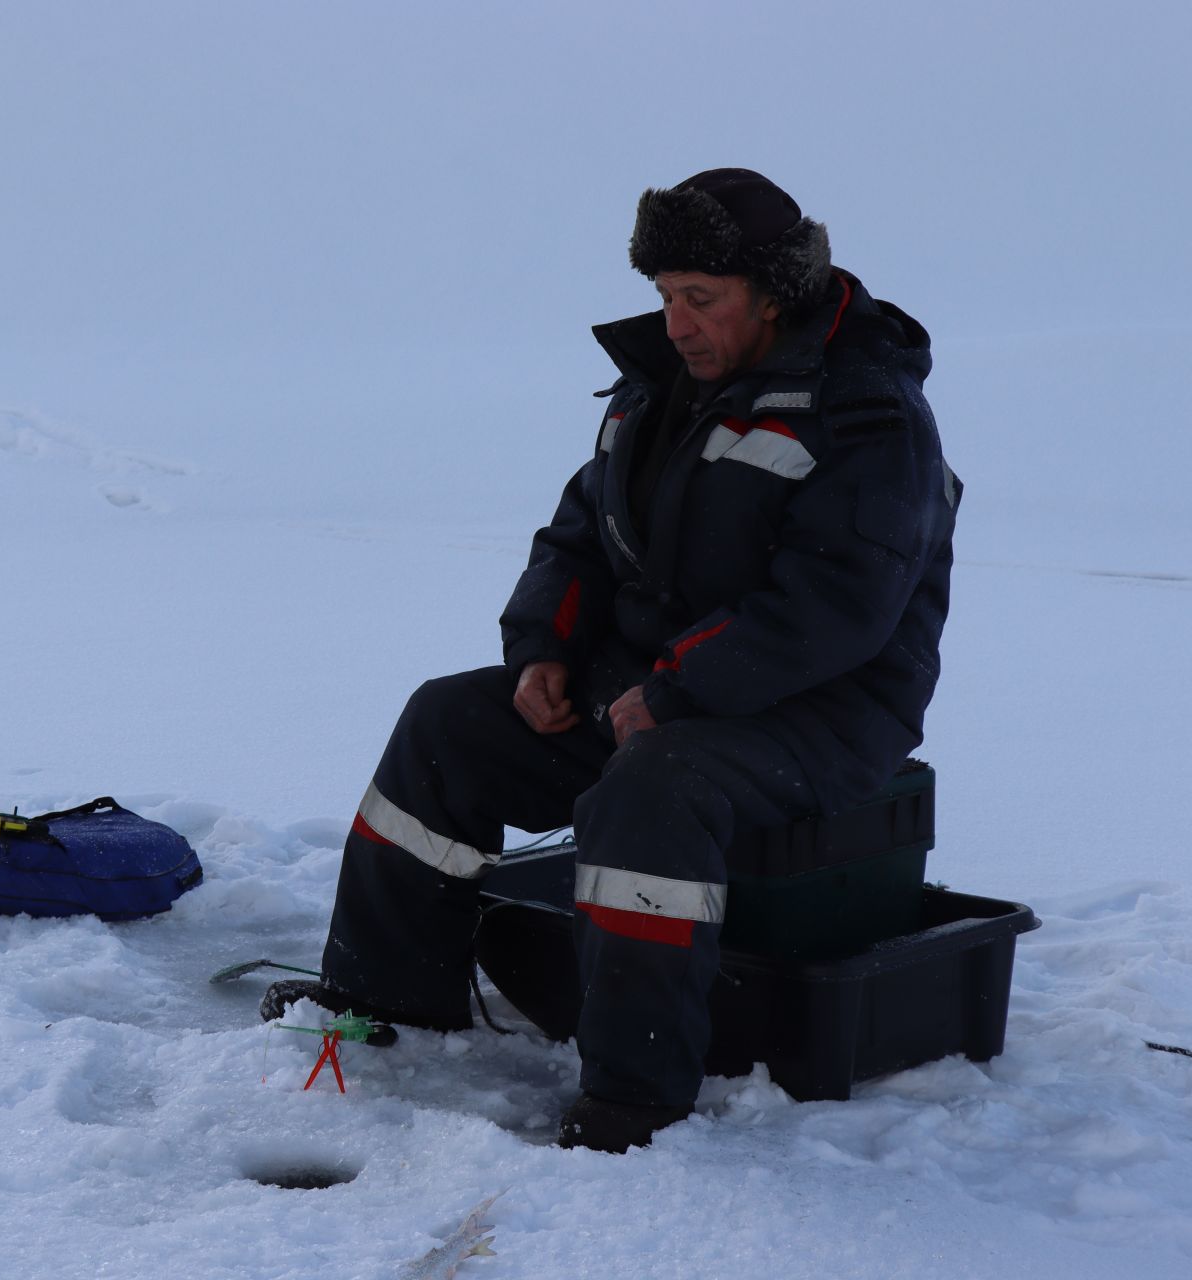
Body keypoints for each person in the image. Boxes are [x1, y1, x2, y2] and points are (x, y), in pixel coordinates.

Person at [268, 168, 960, 1153]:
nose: (676, 322)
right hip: (655, 686)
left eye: (702, 299)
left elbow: (836, 609)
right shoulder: (661, 387)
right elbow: (580, 533)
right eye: (666, 295)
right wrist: (543, 649)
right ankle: (389, 1001)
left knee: (655, 787)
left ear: (776, 293)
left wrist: (675, 692)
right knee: (447, 724)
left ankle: (635, 1092)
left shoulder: (867, 413)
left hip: (827, 712)